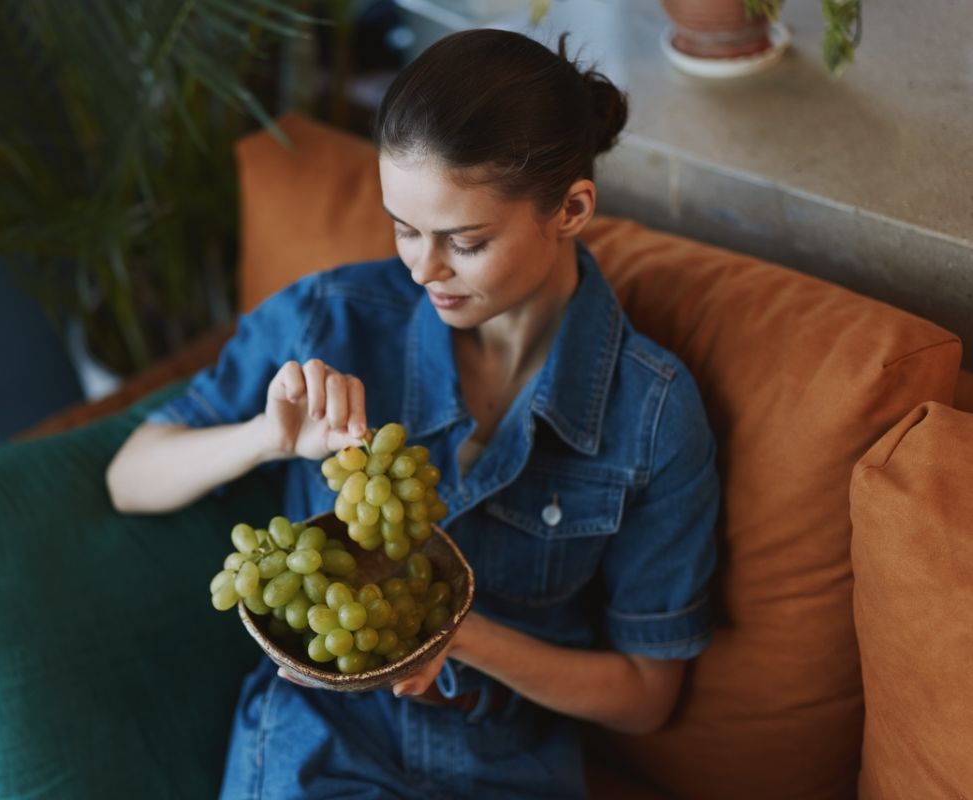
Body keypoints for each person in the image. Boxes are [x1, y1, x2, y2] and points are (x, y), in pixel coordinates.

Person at [106, 27, 719, 800]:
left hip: (506, 771)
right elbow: (130, 477)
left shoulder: (654, 415)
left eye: (464, 241)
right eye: (403, 228)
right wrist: (266, 438)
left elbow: (644, 696)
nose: (423, 268)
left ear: (569, 208)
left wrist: (460, 638)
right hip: (316, 751)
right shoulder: (328, 320)